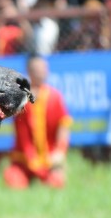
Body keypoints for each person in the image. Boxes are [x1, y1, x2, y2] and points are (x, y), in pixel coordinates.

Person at [4, 55, 72, 189]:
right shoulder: (22, 99)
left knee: (57, 182)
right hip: (24, 159)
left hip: (49, 159)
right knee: (13, 181)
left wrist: (60, 152)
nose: (40, 72)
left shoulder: (55, 97)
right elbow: (18, 124)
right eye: (36, 69)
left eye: (43, 69)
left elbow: (64, 126)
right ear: (29, 71)